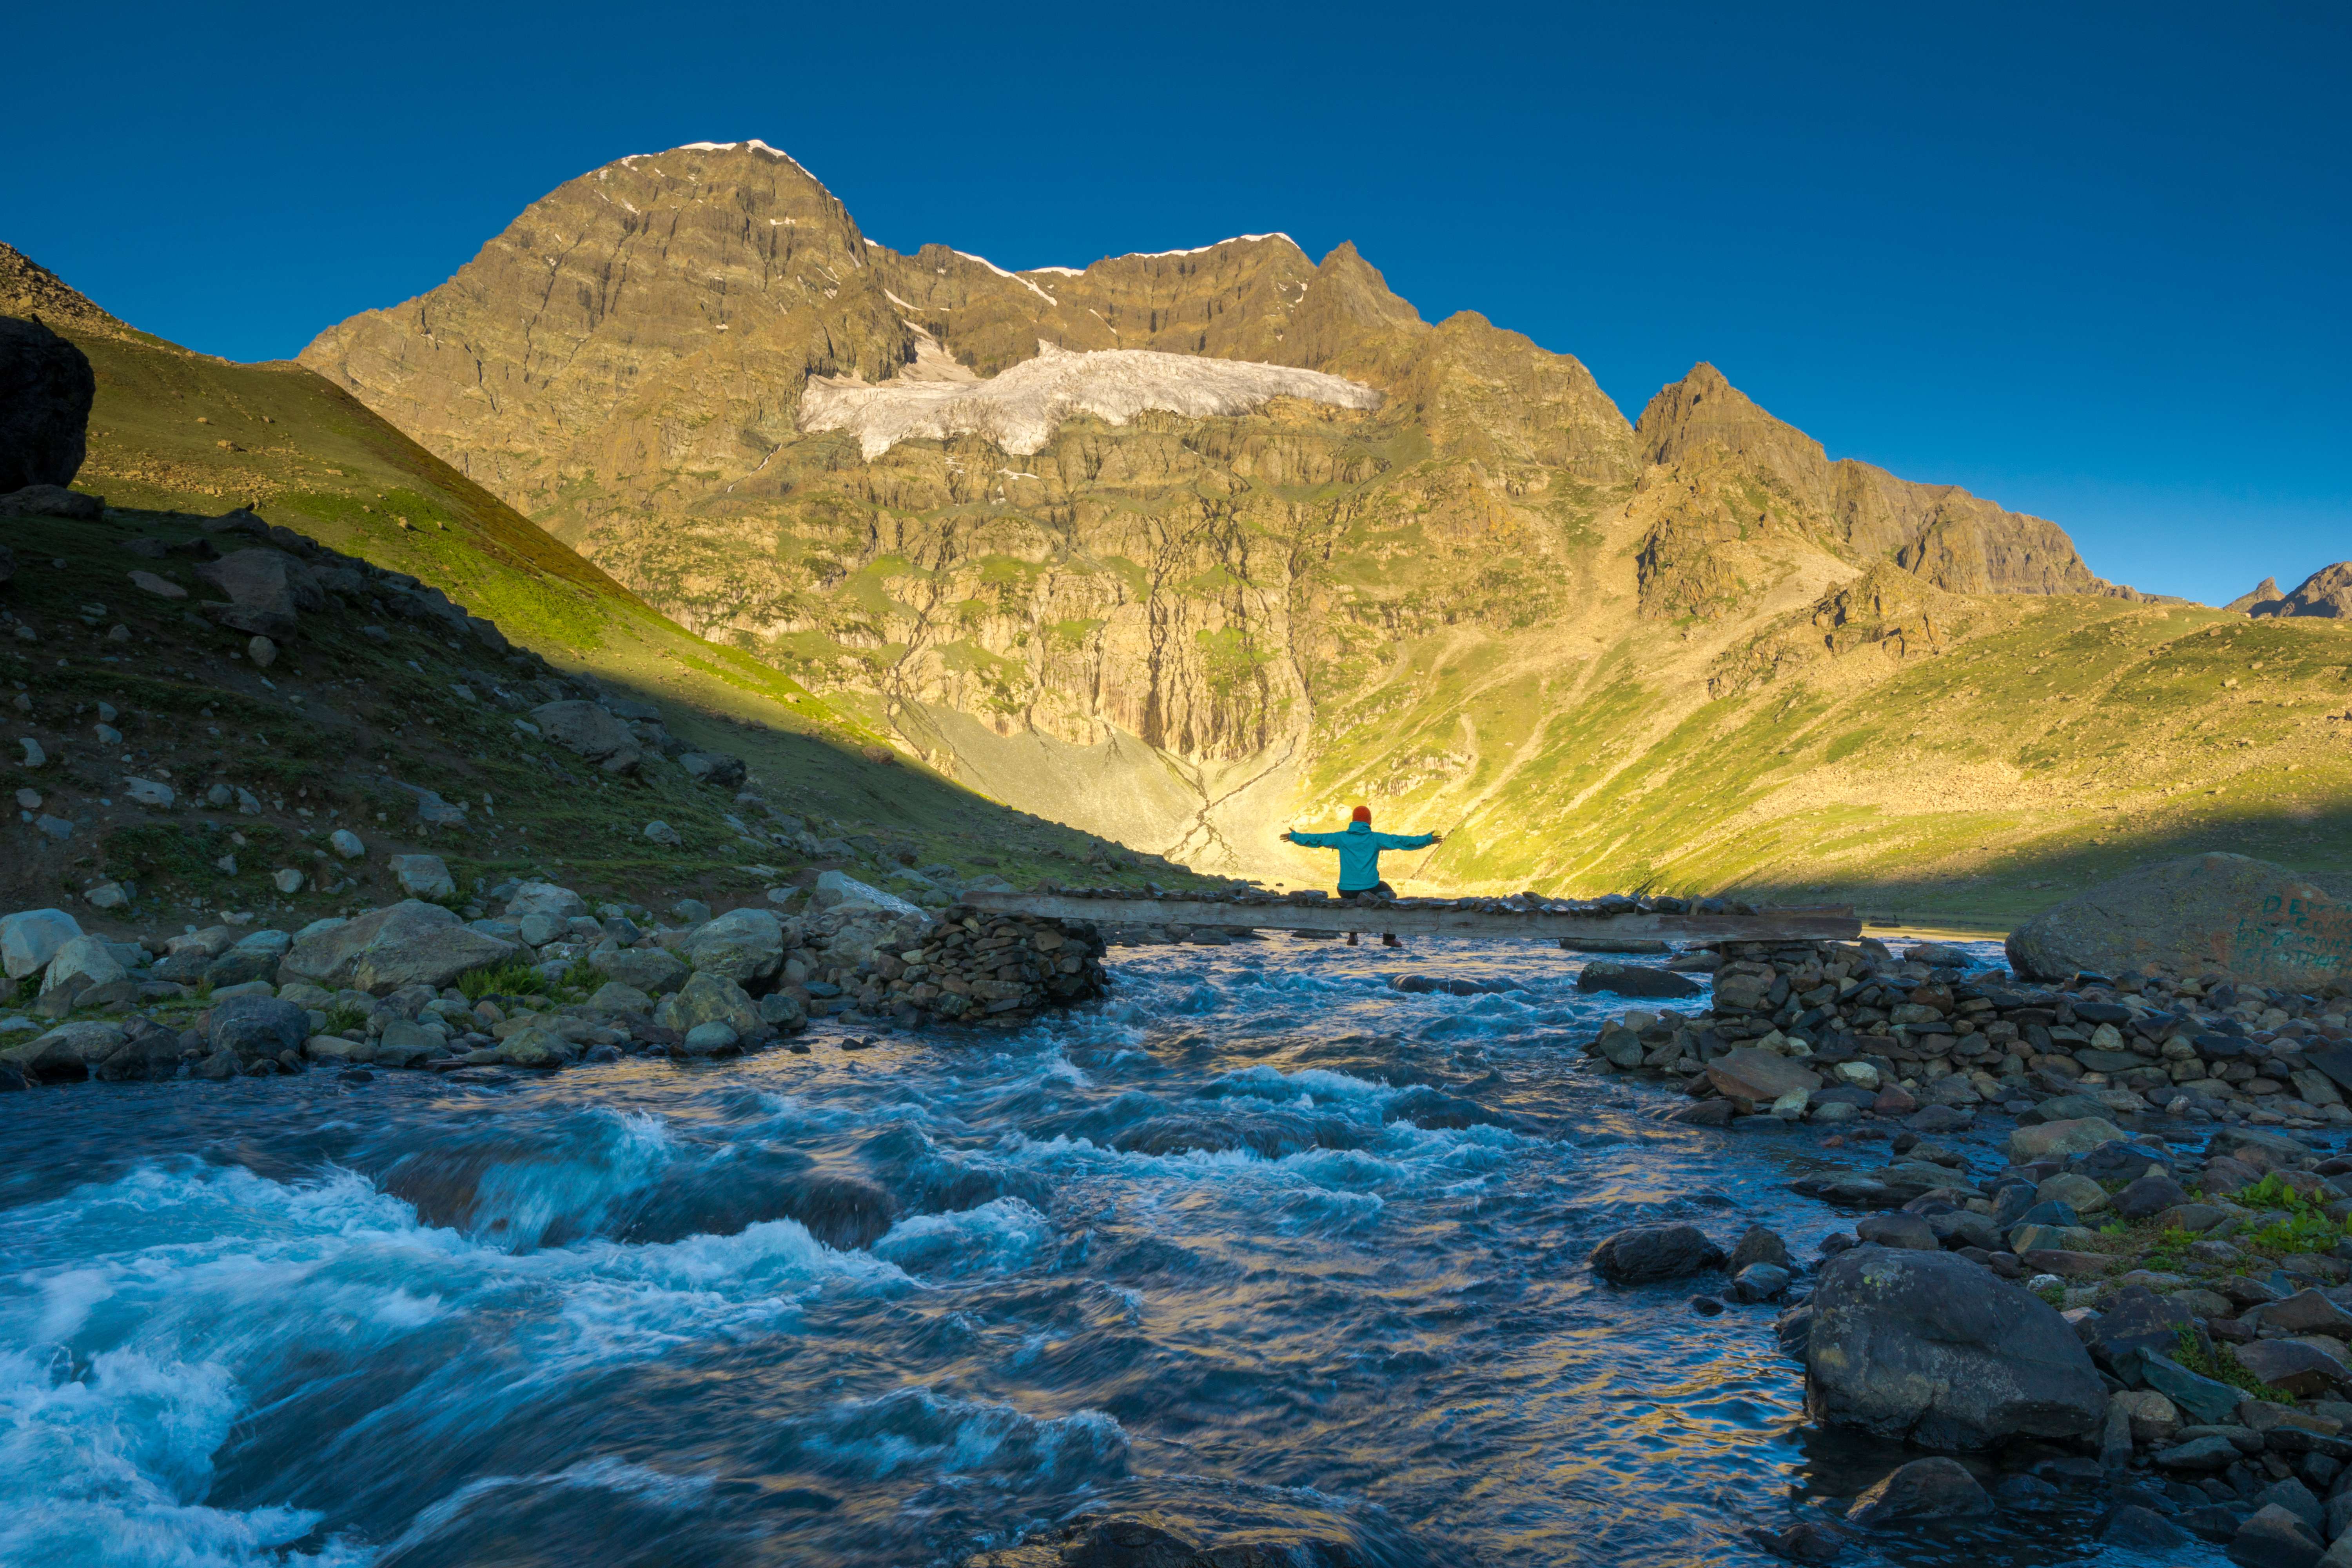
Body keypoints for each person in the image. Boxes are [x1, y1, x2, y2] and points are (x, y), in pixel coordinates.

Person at [1281, 807, 1442, 946]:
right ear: (1369, 822)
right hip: (1369, 887)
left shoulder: (1341, 837)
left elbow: (1317, 839)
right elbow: (1402, 842)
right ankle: (1389, 938)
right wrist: (1427, 840)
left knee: (1353, 900)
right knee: (1388, 893)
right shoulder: (1375, 838)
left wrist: (1294, 837)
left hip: (1345, 889)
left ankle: (1353, 935)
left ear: (1353, 821)